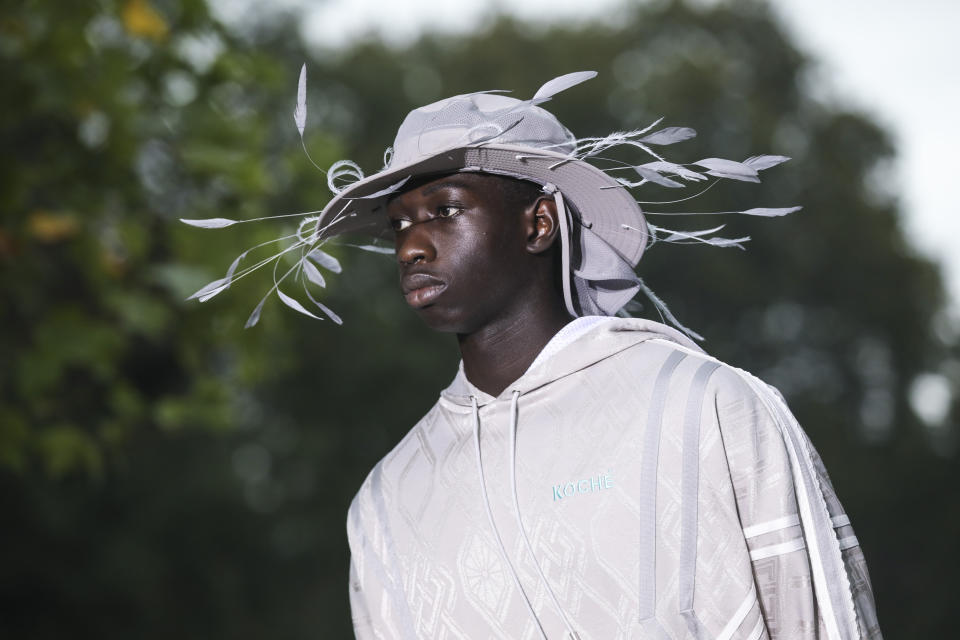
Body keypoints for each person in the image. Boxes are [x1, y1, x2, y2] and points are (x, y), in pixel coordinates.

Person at [184, 71, 882, 639]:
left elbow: (818, 618)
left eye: (445, 211)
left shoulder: (708, 410)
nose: (410, 246)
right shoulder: (387, 503)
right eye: (399, 225)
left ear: (538, 222)